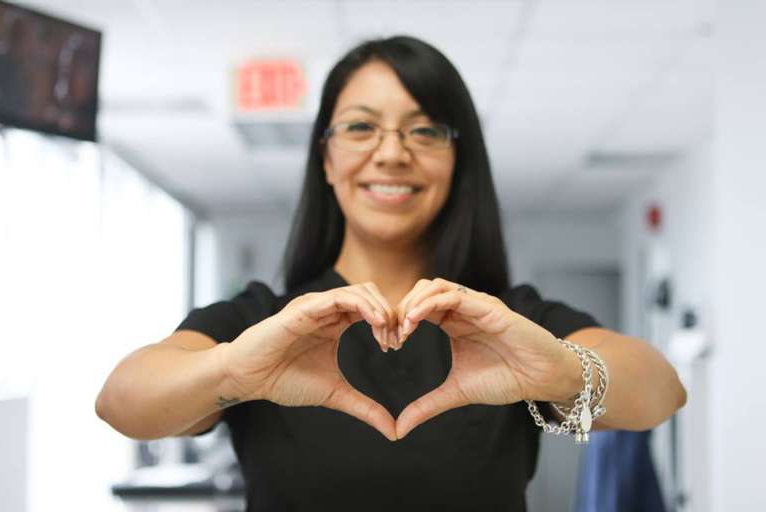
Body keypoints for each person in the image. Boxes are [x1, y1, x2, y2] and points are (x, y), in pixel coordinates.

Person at [96, 35, 687, 511]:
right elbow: (121, 401)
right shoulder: (258, 324)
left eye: (425, 129)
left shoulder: (513, 325)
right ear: (326, 159)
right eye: (360, 127)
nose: (392, 152)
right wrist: (233, 371)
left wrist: (559, 372)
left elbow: (662, 390)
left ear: (459, 161)